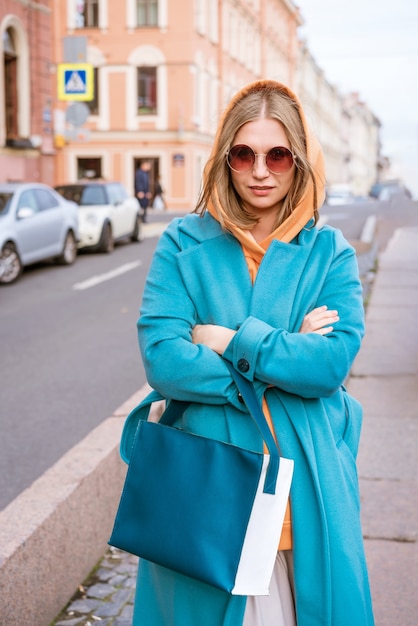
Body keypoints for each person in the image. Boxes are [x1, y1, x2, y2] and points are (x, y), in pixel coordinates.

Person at [133, 80, 374, 625]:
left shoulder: (328, 252)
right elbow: (164, 360)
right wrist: (288, 353)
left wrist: (231, 341)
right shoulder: (182, 243)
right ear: (226, 159)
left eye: (278, 155)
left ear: (300, 161)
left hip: (307, 483)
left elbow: (331, 364)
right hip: (207, 482)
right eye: (244, 154)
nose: (260, 170)